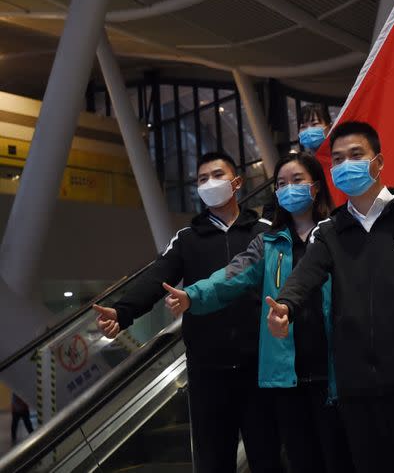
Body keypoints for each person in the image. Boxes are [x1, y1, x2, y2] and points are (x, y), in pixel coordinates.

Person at [265, 121, 394, 473]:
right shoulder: (328, 231)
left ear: (378, 161)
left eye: (356, 155)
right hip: (357, 390)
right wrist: (284, 306)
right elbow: (306, 276)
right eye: (339, 159)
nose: (346, 165)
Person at [162, 152, 354, 473]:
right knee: (301, 461)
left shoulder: (338, 234)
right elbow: (231, 276)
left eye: (297, 181)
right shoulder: (268, 242)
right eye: (280, 184)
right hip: (286, 379)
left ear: (316, 187)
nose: (288, 189)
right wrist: (192, 295)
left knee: (341, 461)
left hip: (335, 374)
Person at [92, 151, 283, 473]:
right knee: (212, 460)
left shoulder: (264, 231)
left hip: (260, 367)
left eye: (217, 176)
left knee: (268, 458)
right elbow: (157, 277)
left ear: (236, 183)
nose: (209, 183)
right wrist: (122, 312)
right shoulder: (187, 239)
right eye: (202, 179)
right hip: (207, 371)